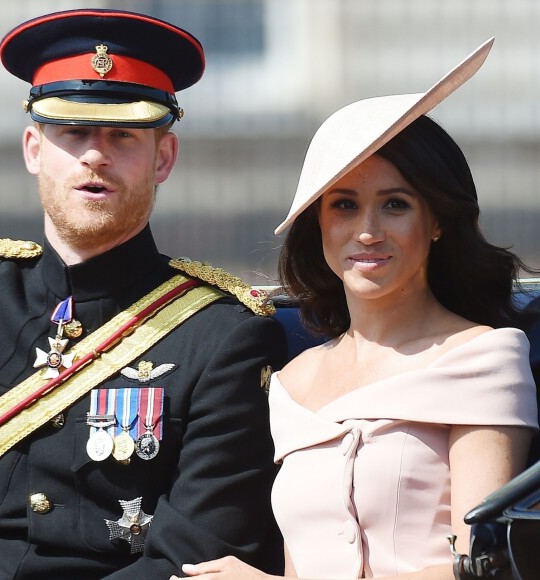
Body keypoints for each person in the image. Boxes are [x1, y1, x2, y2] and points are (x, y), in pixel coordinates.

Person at [172, 39, 539, 579]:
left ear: (436, 221)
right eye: (344, 205)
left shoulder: (485, 355)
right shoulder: (292, 381)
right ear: (319, 224)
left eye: (396, 204)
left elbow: (480, 568)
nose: (367, 231)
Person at [0, 8, 287, 579]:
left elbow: (197, 554)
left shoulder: (222, 336)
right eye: (73, 132)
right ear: (34, 149)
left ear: (163, 158)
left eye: (122, 136)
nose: (95, 155)